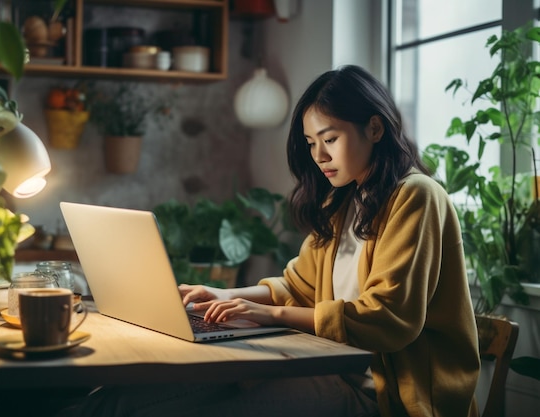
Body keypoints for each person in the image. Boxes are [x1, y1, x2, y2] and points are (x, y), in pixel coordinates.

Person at [58, 64, 480, 417]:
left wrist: (270, 316)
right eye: (312, 143)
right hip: (320, 368)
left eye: (330, 139)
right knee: (122, 400)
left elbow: (388, 319)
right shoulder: (343, 200)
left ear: (374, 128)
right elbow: (298, 287)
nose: (319, 156)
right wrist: (225, 294)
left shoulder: (416, 196)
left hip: (384, 397)